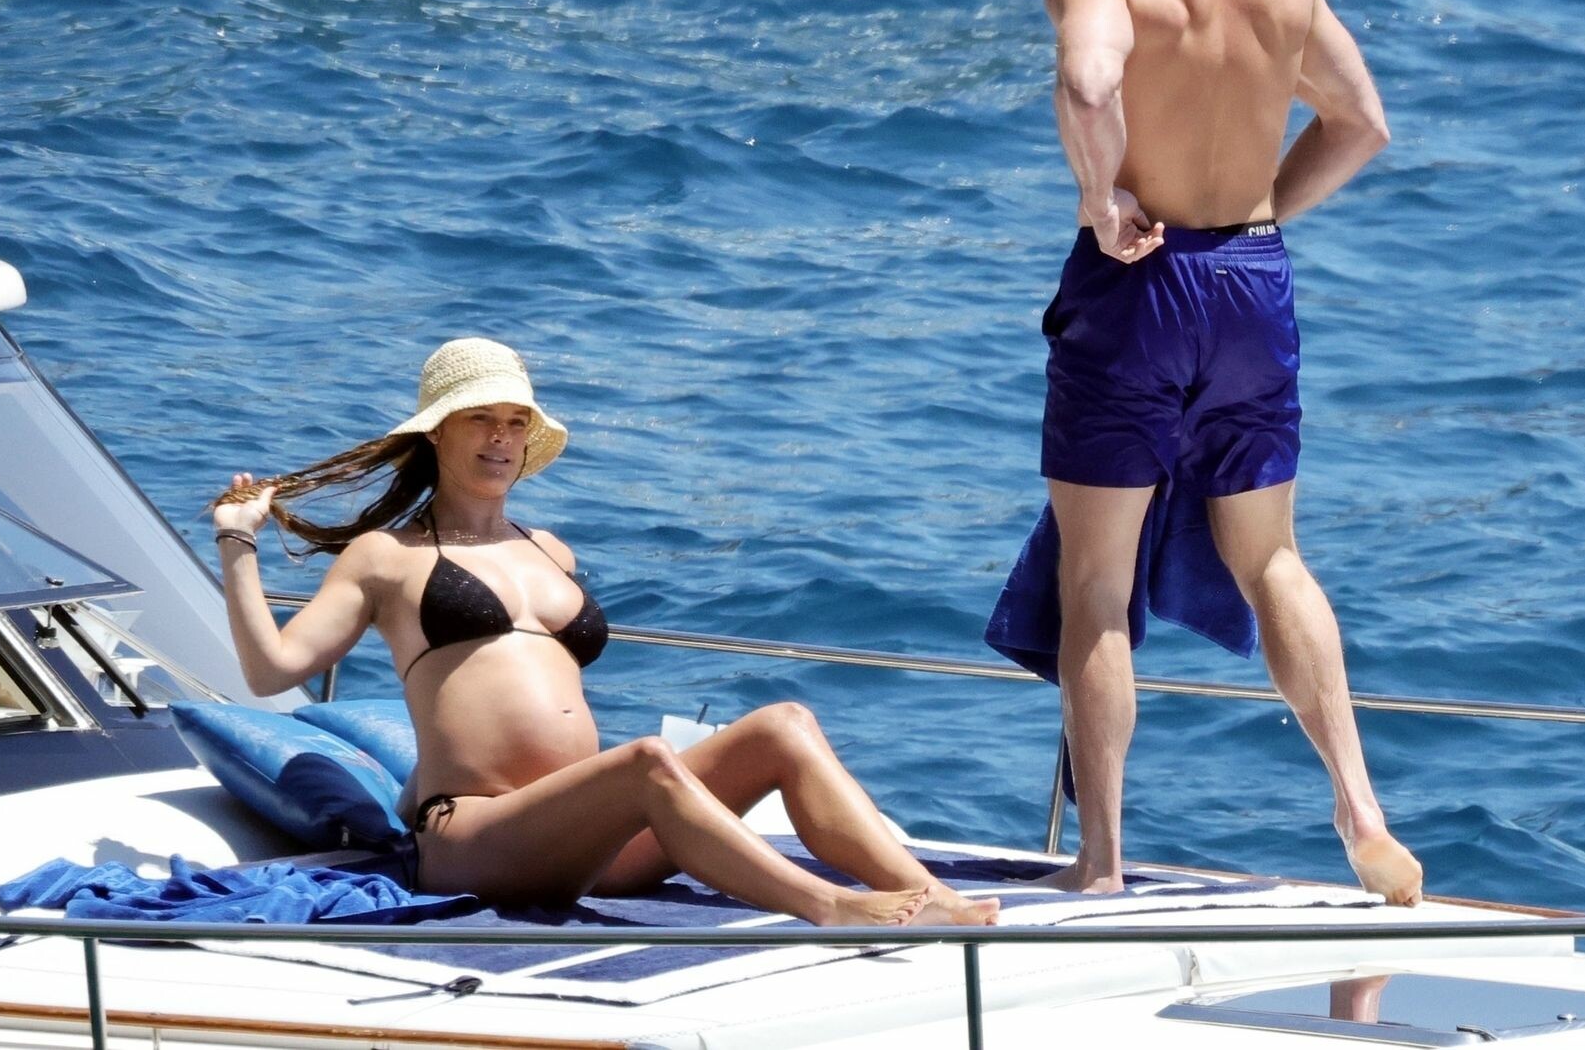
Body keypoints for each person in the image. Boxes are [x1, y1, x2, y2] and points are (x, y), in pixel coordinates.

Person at [992, 0, 1422, 905]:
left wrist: (1103, 203)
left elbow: (1090, 82)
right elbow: (1362, 123)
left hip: (1137, 287)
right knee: (1272, 557)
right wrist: (1259, 217)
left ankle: (1100, 863)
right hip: (1253, 282)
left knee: (1095, 581)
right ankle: (1361, 810)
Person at [210, 337, 1000, 927]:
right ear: (437, 434)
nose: (500, 438)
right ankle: (828, 907)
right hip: (478, 837)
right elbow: (272, 669)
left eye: (514, 422)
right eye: (479, 419)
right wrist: (239, 544)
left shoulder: (550, 550)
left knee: (784, 725)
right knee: (646, 761)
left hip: (591, 842)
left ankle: (935, 899)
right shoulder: (387, 557)